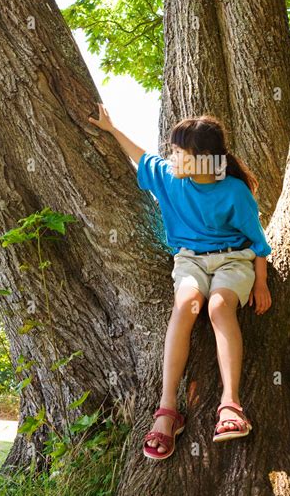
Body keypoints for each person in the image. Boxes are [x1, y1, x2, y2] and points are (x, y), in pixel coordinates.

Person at [88, 104, 272, 460]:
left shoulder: (234, 192)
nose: (170, 156)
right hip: (190, 260)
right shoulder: (171, 179)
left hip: (233, 258)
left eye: (177, 151)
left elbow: (258, 242)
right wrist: (111, 129)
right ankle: (167, 409)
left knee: (219, 307)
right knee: (185, 306)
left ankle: (231, 405)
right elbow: (141, 156)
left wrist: (260, 282)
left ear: (202, 159)